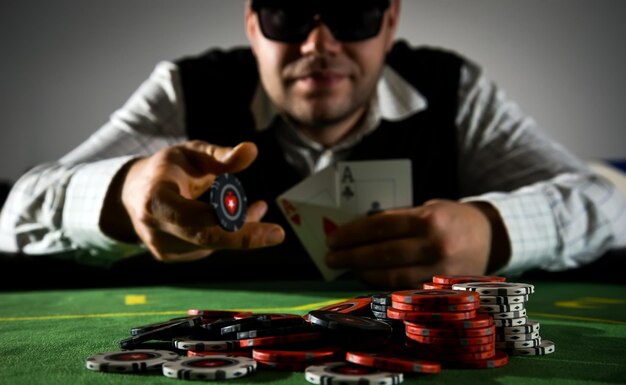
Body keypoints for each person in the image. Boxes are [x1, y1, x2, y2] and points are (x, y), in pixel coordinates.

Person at [0, 0, 624, 288]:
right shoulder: (185, 90)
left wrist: (492, 231)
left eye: (351, 12)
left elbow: (611, 203)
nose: (317, 44)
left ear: (390, 22)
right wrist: (125, 193)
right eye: (289, 13)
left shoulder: (455, 90)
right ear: (252, 25)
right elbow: (16, 213)